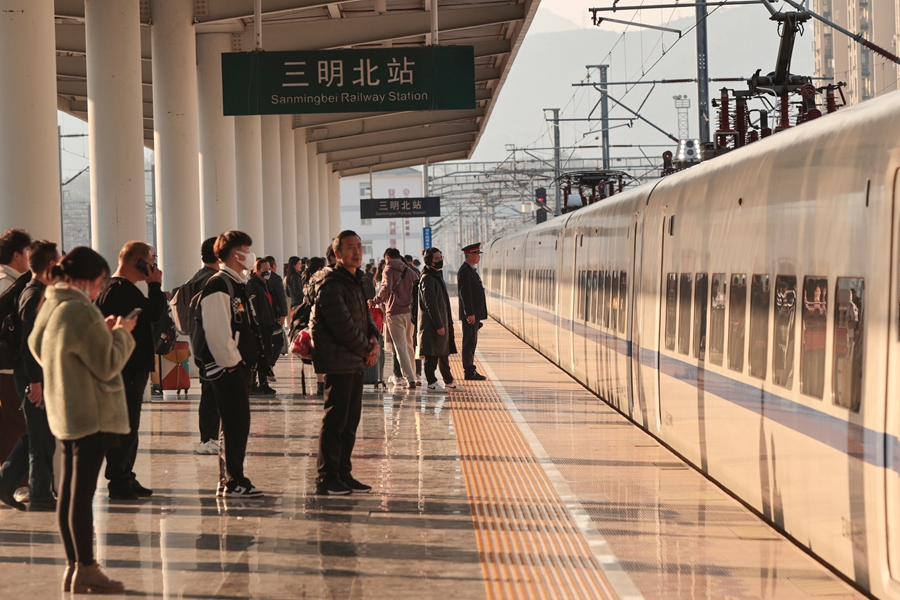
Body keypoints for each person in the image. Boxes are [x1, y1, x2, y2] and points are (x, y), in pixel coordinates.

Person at [29, 246, 138, 594]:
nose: (99, 289)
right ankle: (87, 569)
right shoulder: (81, 310)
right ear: (87, 280)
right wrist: (121, 333)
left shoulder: (52, 303)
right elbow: (107, 365)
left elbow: (36, 345)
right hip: (92, 412)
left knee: (68, 493)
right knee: (82, 494)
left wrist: (98, 335)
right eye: (99, 282)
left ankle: (74, 568)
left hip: (65, 410)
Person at [95, 241, 166, 500]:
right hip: (127, 367)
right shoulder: (120, 290)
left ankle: (126, 474)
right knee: (125, 426)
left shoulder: (118, 288)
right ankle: (119, 479)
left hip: (129, 365)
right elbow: (154, 313)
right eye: (152, 259)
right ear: (138, 262)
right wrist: (155, 285)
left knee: (130, 425)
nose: (155, 265)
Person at [310, 231, 379, 495]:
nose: (357, 251)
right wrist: (367, 348)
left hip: (354, 359)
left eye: (359, 246)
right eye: (350, 247)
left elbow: (365, 315)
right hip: (339, 360)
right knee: (335, 420)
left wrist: (374, 338)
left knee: (350, 421)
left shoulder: (356, 280)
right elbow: (342, 326)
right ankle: (326, 476)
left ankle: (343, 472)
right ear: (337, 253)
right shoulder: (331, 283)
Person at [199, 230, 264, 498]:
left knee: (236, 425)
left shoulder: (237, 283)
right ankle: (233, 481)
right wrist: (233, 364)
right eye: (247, 250)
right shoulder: (218, 284)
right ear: (236, 254)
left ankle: (230, 478)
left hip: (237, 367)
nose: (250, 255)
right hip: (227, 369)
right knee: (235, 425)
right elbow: (217, 331)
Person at [3, 241, 60, 512]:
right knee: (40, 438)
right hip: (30, 376)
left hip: (35, 374)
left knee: (41, 435)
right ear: (51, 265)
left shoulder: (39, 292)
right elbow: (29, 343)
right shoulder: (34, 294)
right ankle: (39, 495)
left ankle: (6, 482)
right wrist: (35, 381)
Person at [0, 228, 31, 508]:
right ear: (17, 254)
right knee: (16, 423)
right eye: (28, 252)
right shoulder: (10, 284)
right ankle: (17, 483)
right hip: (8, 366)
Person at [183, 237, 221, 455]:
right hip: (210, 344)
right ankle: (208, 438)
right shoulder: (212, 281)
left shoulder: (199, 276)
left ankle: (210, 437)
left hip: (201, 342)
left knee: (210, 392)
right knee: (210, 395)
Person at [417, 248, 466, 394]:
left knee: (443, 353)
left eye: (441, 257)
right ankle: (431, 383)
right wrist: (439, 324)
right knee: (432, 354)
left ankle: (449, 382)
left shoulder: (436, 276)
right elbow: (431, 304)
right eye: (437, 259)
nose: (440, 261)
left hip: (441, 321)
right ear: (429, 261)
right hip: (432, 324)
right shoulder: (427, 278)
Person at [370, 248, 419, 389]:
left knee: (400, 347)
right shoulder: (410, 271)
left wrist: (375, 300)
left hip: (395, 312)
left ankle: (410, 379)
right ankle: (414, 375)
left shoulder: (388, 269)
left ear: (387, 258)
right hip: (410, 312)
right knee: (409, 345)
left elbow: (386, 287)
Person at [293, 256, 327, 397]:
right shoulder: (319, 281)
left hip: (310, 320)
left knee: (316, 353)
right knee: (323, 353)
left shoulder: (306, 281)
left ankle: (320, 384)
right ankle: (323, 383)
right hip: (320, 319)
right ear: (319, 268)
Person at [245, 258, 277, 395]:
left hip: (267, 324)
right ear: (257, 271)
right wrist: (255, 324)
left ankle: (263, 383)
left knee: (266, 354)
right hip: (259, 325)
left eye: (269, 269)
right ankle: (253, 384)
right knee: (258, 354)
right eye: (265, 270)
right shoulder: (253, 285)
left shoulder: (265, 284)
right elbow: (253, 306)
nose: (268, 272)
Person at [457, 243, 488, 381]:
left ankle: (470, 369)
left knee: (471, 342)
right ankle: (469, 371)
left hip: (474, 314)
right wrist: (469, 313)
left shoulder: (469, 270)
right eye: (477, 254)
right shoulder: (465, 271)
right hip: (471, 315)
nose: (479, 257)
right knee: (469, 342)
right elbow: (465, 294)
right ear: (470, 255)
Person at [264, 255, 288, 378]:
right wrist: (284, 314)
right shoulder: (276, 278)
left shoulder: (255, 278)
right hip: (274, 315)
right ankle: (269, 364)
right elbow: (281, 297)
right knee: (279, 341)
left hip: (261, 317)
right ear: (273, 266)